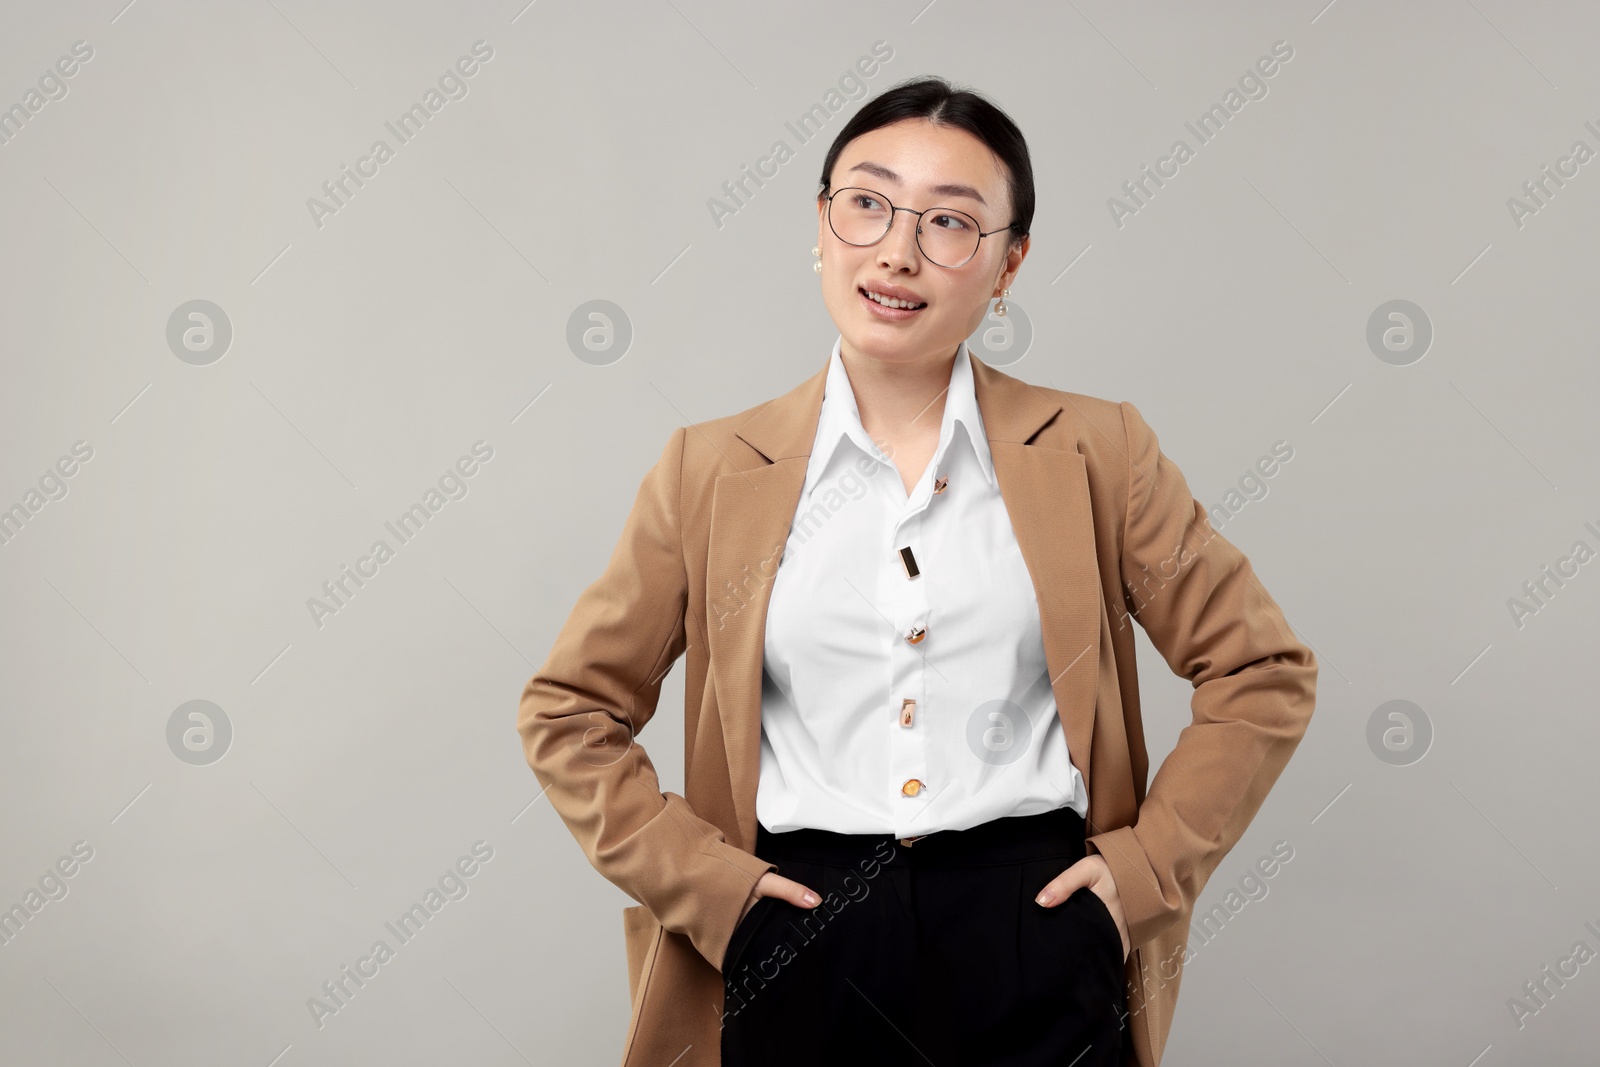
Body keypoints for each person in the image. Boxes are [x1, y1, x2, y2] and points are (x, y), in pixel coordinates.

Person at [517, 74, 1317, 1067]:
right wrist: (711, 890)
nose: (896, 250)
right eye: (866, 203)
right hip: (793, 929)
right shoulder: (710, 468)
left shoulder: (1097, 450)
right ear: (819, 224)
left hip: (1033, 926)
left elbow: (1260, 669)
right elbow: (569, 708)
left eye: (949, 221)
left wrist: (1142, 874)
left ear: (1008, 262)